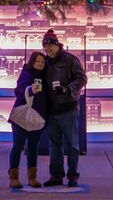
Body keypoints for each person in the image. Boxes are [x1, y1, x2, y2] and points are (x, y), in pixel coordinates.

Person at [40, 29, 87, 188]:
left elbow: (82, 78)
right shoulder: (44, 62)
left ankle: (72, 176)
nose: (47, 49)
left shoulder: (69, 60)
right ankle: (56, 176)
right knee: (54, 146)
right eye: (45, 47)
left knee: (72, 145)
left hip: (68, 109)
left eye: (50, 46)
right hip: (51, 111)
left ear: (57, 45)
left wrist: (68, 89)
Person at [8, 51, 48, 189]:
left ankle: (32, 177)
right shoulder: (26, 72)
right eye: (37, 61)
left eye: (42, 62)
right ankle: (14, 177)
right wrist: (30, 90)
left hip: (37, 117)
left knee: (33, 148)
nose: (40, 64)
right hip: (22, 116)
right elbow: (19, 89)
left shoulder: (46, 76)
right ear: (32, 62)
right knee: (18, 146)